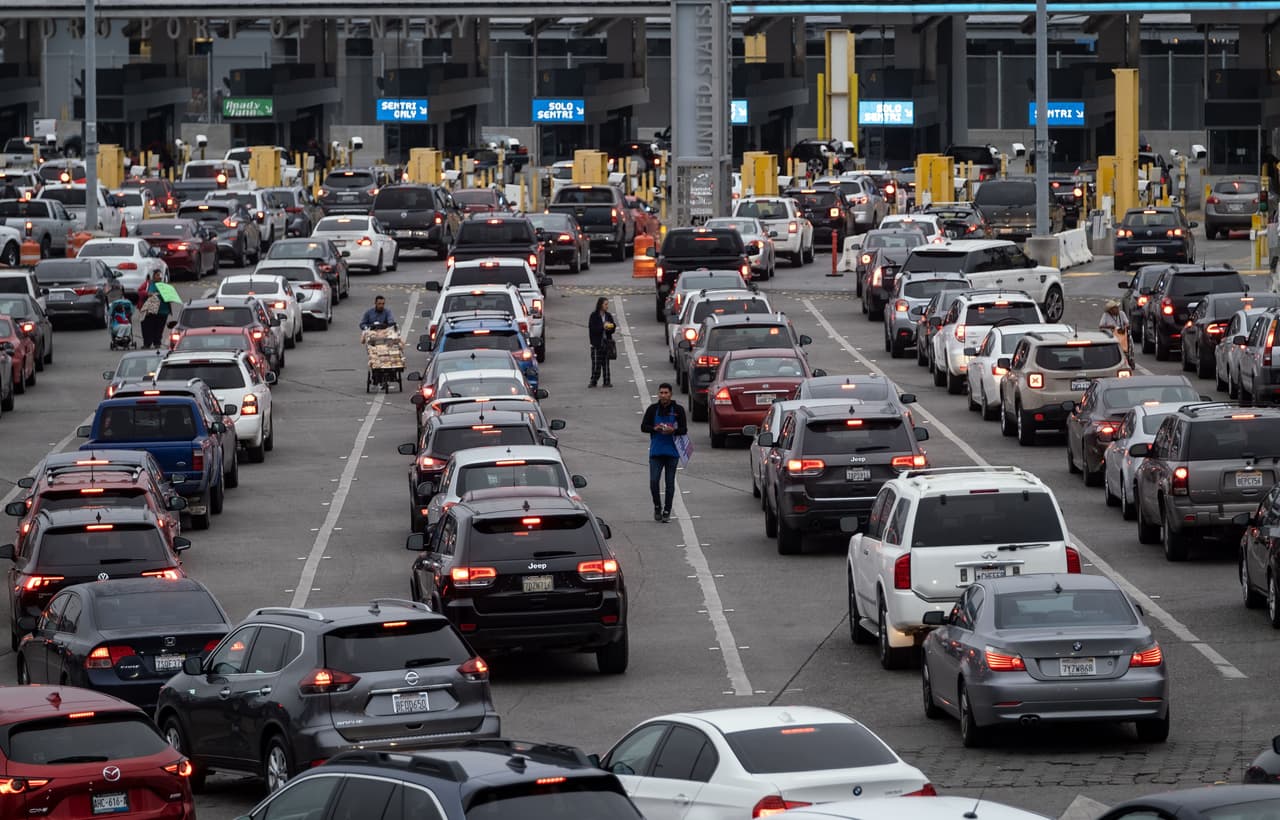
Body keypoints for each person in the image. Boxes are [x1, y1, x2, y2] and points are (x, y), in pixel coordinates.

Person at [640, 383, 687, 523]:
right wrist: (655, 428)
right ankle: (657, 507)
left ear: (671, 394)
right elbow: (643, 427)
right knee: (654, 481)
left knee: (669, 483)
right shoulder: (652, 409)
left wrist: (673, 431)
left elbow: (684, 430)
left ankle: (667, 510)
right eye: (661, 392)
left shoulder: (678, 410)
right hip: (656, 452)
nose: (663, 395)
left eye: (666, 392)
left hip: (672, 452)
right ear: (658, 394)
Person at [588, 296, 616, 388]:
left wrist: (611, 327)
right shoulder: (594, 316)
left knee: (606, 363)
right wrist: (602, 327)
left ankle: (607, 381)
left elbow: (613, 328)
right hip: (596, 343)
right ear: (600, 305)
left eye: (607, 304)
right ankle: (594, 380)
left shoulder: (608, 316)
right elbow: (593, 329)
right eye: (605, 304)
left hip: (606, 342)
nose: (607, 306)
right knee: (596, 364)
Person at [138, 280, 171, 348]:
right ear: (153, 276)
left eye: (160, 275)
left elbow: (169, 296)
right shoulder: (148, 284)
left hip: (163, 311)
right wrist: (147, 293)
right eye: (157, 275)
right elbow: (140, 291)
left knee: (159, 328)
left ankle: (157, 342)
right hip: (149, 310)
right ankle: (147, 343)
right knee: (147, 327)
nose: (159, 277)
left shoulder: (164, 285)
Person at [1100, 299, 1133, 365]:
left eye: (1117, 308)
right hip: (1111, 335)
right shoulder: (1106, 315)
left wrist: (1125, 327)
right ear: (1111, 310)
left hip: (1121, 334)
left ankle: (1129, 357)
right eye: (1115, 308)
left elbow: (1127, 323)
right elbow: (1101, 326)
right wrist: (1110, 326)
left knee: (1130, 340)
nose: (1117, 309)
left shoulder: (1121, 314)